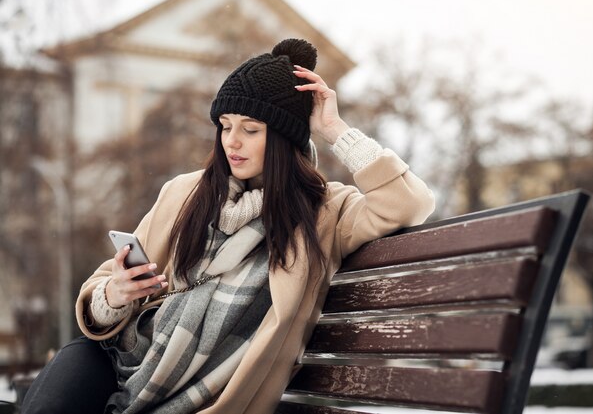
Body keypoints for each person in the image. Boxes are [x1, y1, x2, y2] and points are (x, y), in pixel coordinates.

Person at [22, 38, 435, 414]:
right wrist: (115, 294)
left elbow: (410, 203)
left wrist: (333, 130)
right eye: (225, 126)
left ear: (284, 140)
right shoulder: (185, 193)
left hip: (205, 397)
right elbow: (99, 293)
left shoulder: (325, 213)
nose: (231, 141)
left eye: (251, 129)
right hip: (118, 359)